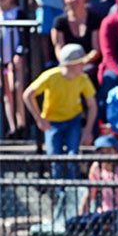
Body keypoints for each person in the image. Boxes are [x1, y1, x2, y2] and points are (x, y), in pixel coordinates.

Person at [23, 43, 97, 179]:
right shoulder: (51, 76)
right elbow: (28, 95)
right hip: (52, 123)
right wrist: (39, 119)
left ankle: (71, 190)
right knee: (54, 157)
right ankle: (59, 193)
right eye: (80, 63)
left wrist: (87, 129)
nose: (83, 65)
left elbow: (92, 105)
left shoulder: (83, 78)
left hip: (73, 120)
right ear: (69, 65)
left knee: (72, 157)